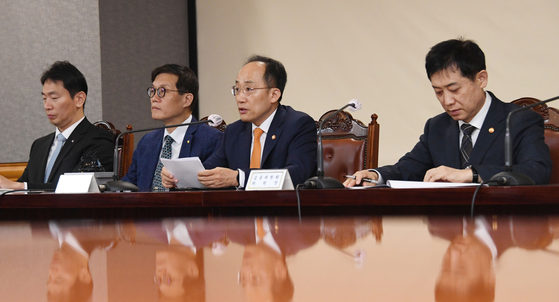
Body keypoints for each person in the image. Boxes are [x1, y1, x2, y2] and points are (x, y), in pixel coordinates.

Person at [344, 38, 552, 187]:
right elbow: (408, 168)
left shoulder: (519, 120)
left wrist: (470, 175)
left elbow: (537, 170)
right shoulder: (437, 126)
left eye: (454, 90)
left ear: (481, 79)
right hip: (449, 234)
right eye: (438, 92)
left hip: (503, 232)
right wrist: (374, 174)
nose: (447, 101)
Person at [161, 55, 317, 189]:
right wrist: (178, 176)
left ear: (274, 95)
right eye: (237, 89)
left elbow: (297, 175)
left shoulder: (298, 124)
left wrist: (239, 178)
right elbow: (207, 172)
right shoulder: (234, 131)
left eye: (249, 89)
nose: (240, 98)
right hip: (239, 218)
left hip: (283, 218)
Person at [0, 61, 114, 190]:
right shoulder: (39, 146)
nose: (47, 106)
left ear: (79, 99)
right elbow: (21, 188)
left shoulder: (97, 140)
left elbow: (78, 188)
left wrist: (20, 186)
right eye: (44, 98)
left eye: (54, 98)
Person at [121, 64, 222, 191]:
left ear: (187, 99)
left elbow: (210, 190)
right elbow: (128, 185)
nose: (154, 98)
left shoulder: (210, 139)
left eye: (162, 91)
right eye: (153, 91)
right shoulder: (148, 142)